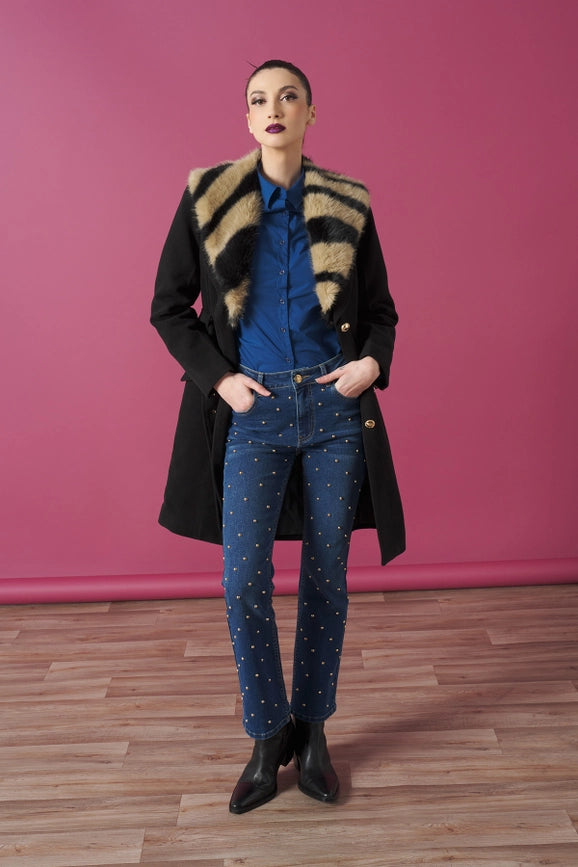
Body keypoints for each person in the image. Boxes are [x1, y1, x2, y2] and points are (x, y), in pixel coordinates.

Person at [151, 59, 405, 814]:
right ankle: (268, 735)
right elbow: (169, 306)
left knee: (328, 578)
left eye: (289, 97)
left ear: (310, 114)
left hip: (333, 410)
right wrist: (220, 380)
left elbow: (382, 312)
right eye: (259, 99)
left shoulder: (347, 203)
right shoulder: (209, 198)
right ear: (247, 118)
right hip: (253, 413)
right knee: (243, 581)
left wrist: (370, 364)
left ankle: (314, 732)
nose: (274, 108)